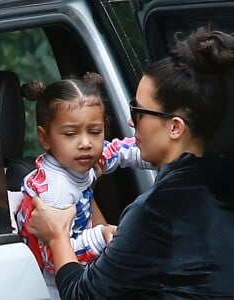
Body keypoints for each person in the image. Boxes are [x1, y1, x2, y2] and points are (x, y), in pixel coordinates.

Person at [27, 26, 234, 299]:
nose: (128, 121)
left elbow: (82, 295)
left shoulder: (156, 213)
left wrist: (57, 236)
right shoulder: (221, 179)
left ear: (174, 127)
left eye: (137, 111)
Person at [15, 72, 154, 299]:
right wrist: (100, 236)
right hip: (56, 289)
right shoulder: (54, 192)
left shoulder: (79, 160)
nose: (86, 143)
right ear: (45, 138)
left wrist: (163, 153)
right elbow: (54, 256)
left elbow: (118, 151)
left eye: (95, 131)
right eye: (70, 134)